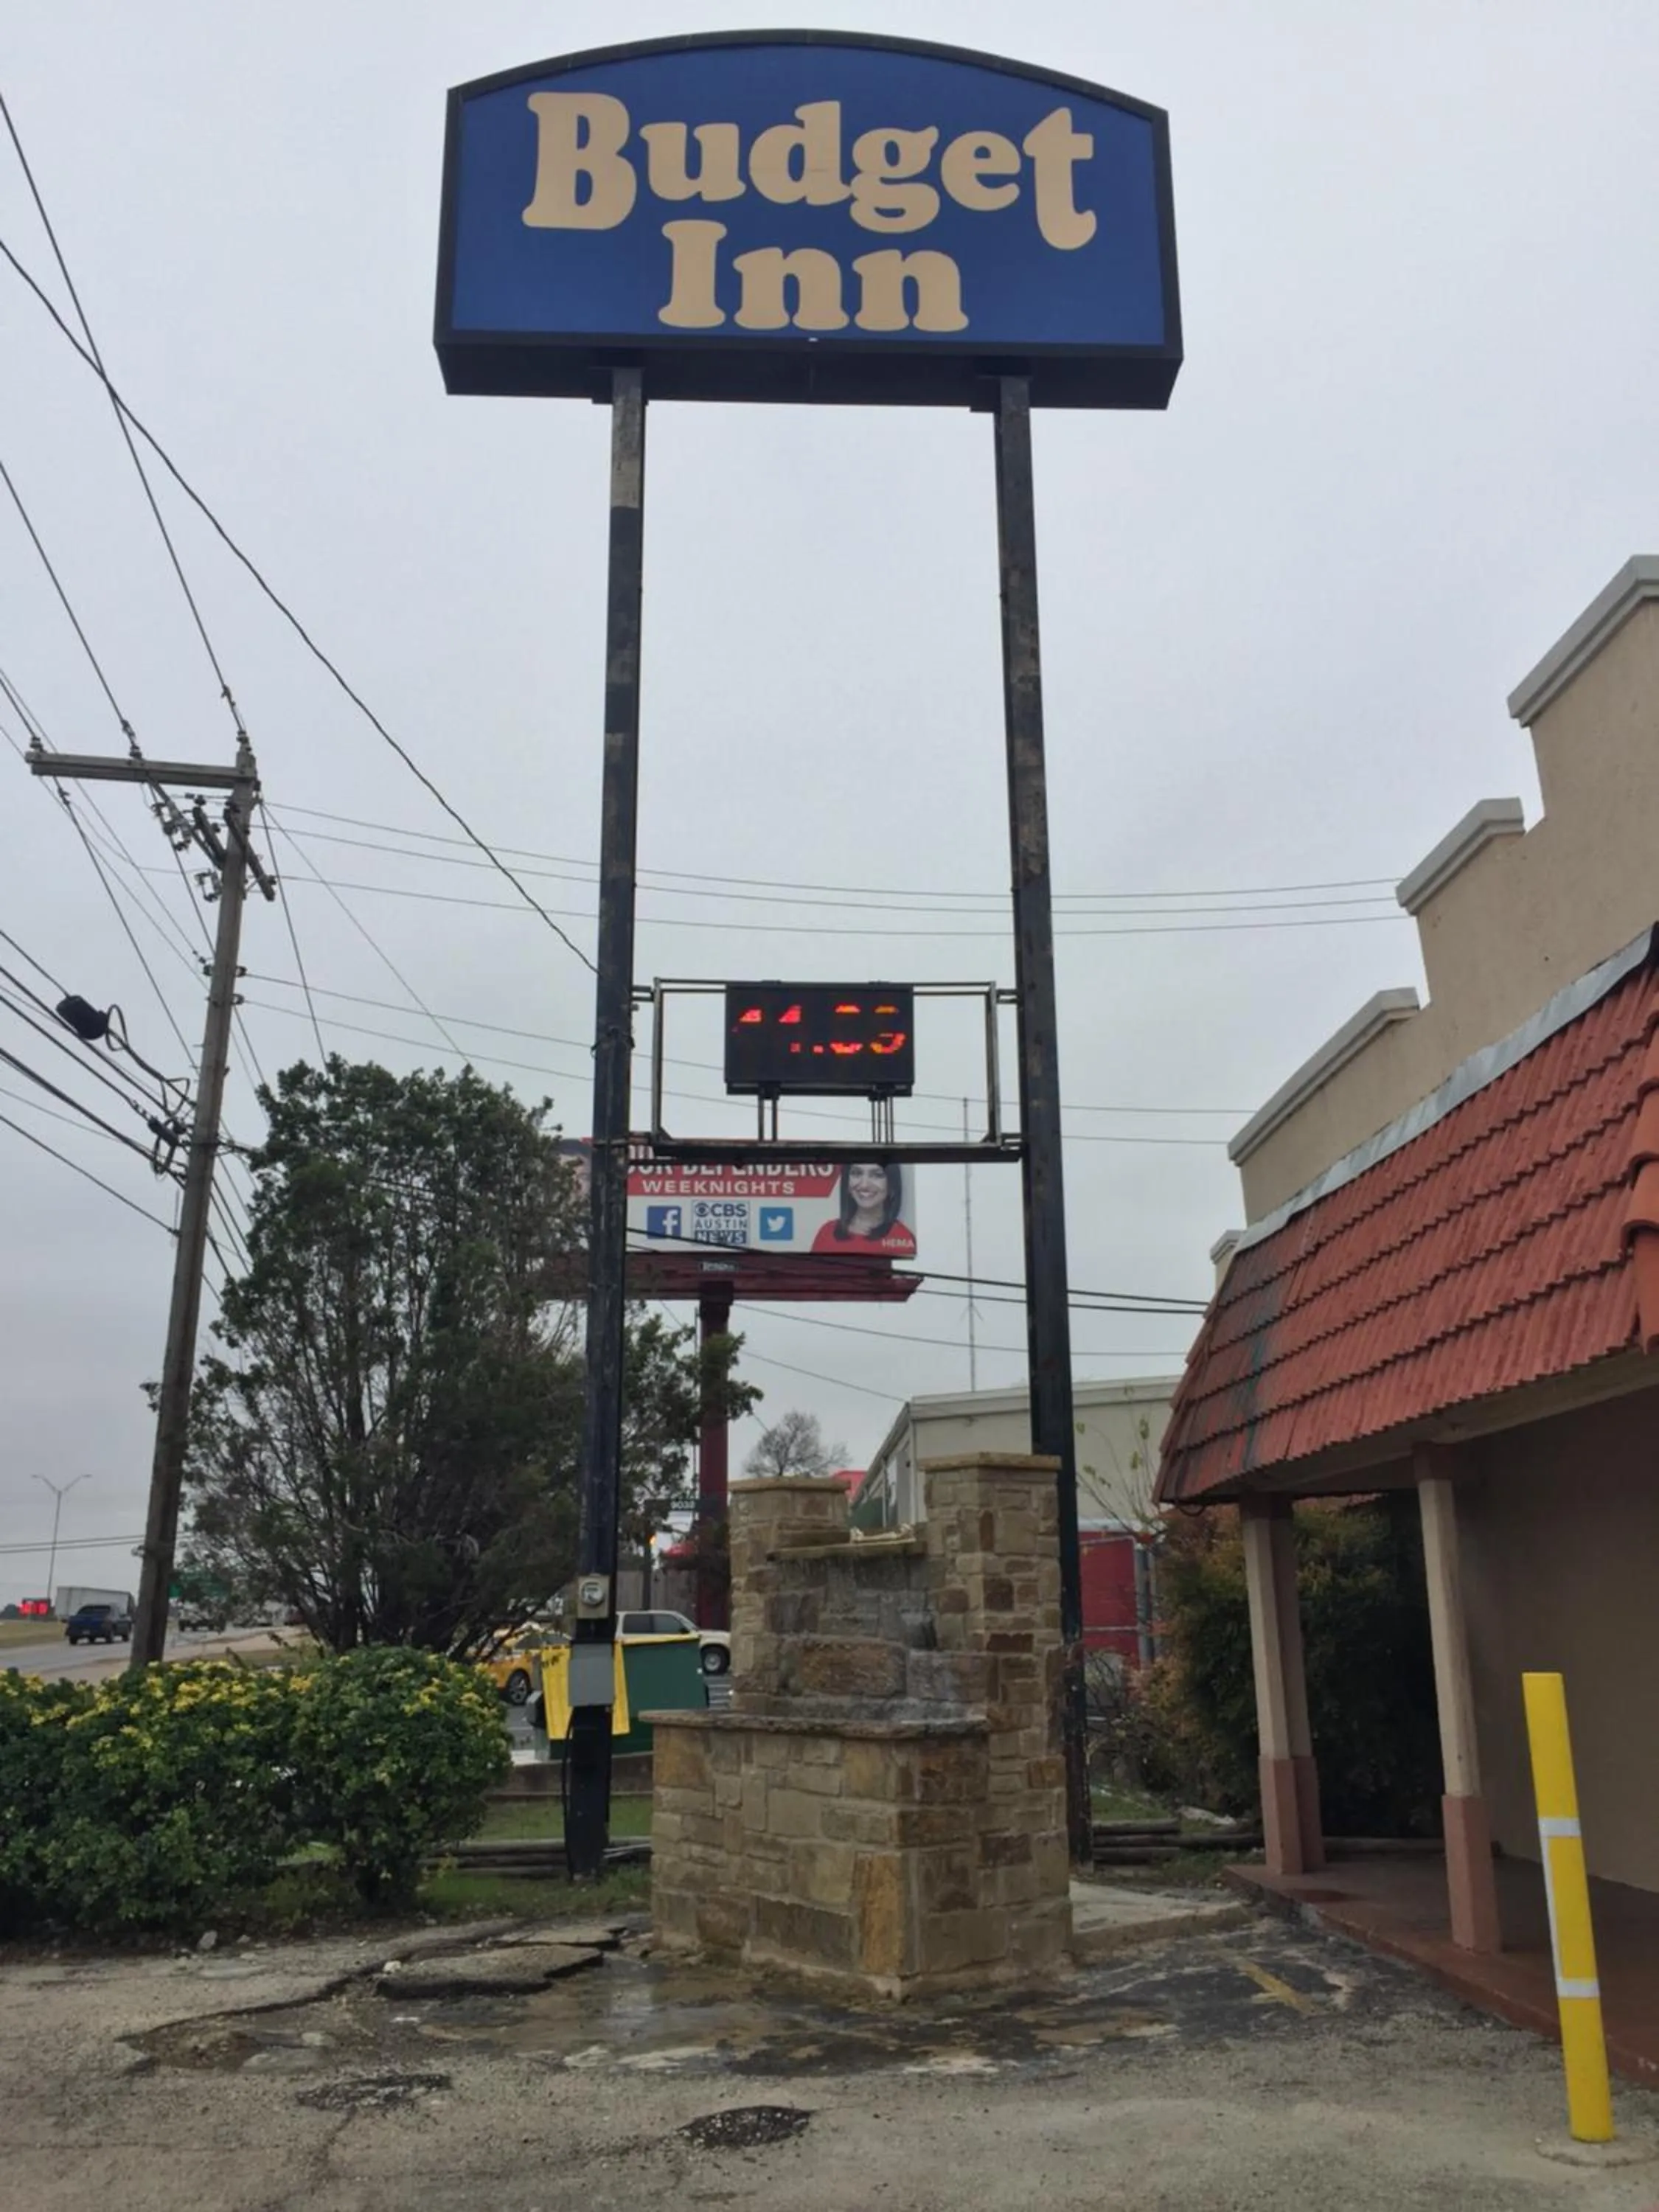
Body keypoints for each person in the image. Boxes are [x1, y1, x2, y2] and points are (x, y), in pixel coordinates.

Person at [811, 1160, 915, 1256]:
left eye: (877, 1175)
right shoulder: (827, 1233)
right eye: (857, 1173)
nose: (864, 1185)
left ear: (891, 1183)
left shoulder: (902, 1238)